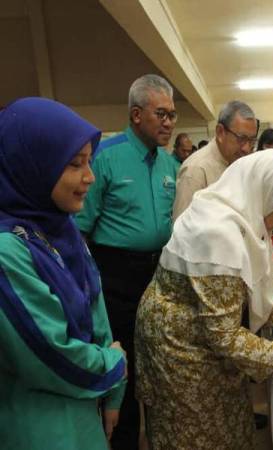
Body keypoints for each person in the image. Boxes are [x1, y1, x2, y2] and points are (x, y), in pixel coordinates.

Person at [135, 150, 273, 450]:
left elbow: (258, 272)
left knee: (230, 422)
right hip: (182, 348)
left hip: (202, 335)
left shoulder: (242, 213)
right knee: (197, 433)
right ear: (264, 192)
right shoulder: (217, 232)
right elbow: (224, 336)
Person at [0, 98, 127, 449]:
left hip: (86, 402)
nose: (90, 177)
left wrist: (112, 393)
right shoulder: (7, 251)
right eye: (74, 164)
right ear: (31, 166)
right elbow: (49, 356)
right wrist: (114, 364)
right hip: (42, 425)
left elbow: (96, 310)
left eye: (89, 161)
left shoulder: (62, 228)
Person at [75, 73, 179, 450]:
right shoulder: (105, 158)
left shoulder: (170, 166)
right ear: (136, 115)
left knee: (160, 364)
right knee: (125, 370)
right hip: (115, 277)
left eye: (172, 115)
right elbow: (80, 230)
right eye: (161, 114)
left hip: (159, 274)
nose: (169, 122)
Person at [173, 101, 258, 218]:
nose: (247, 148)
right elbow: (181, 230)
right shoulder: (196, 169)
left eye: (252, 141)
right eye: (241, 139)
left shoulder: (239, 161)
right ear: (220, 132)